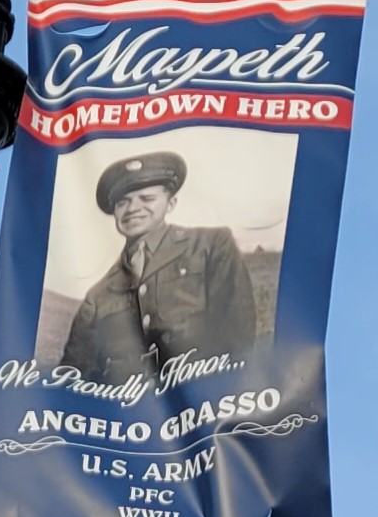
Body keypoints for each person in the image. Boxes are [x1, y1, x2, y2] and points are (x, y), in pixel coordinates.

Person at [61, 151, 257, 382]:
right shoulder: (98, 296)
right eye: (122, 202)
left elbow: (236, 335)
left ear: (171, 203)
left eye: (146, 198)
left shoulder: (211, 246)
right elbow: (73, 376)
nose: (133, 208)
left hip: (203, 404)